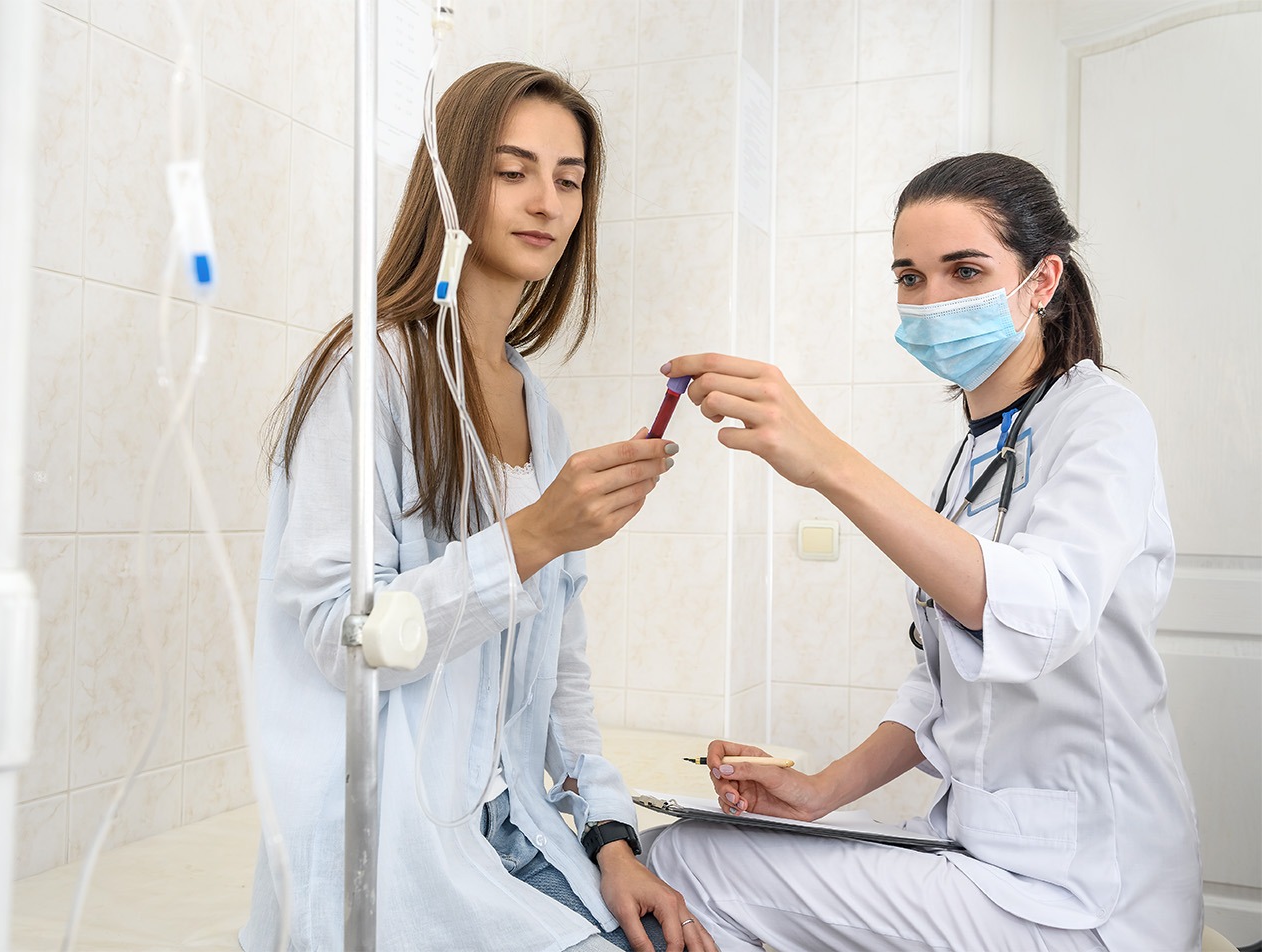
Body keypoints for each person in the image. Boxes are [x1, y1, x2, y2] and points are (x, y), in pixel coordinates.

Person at [646, 153, 1202, 951]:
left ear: (1041, 282)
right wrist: (818, 792)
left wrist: (829, 463)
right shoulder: (976, 455)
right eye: (910, 277)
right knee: (701, 854)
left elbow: (1038, 615)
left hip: (1092, 892)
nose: (931, 300)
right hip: (993, 851)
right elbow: (942, 682)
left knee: (694, 866)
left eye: (964, 270)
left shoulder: (1104, 421)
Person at [240, 62, 717, 952]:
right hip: (394, 843)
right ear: (454, 187)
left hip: (517, 825)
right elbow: (338, 638)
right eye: (513, 172)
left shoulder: (537, 404)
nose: (546, 201)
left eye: (568, 181)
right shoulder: (370, 370)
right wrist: (531, 537)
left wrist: (611, 836)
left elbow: (561, 672)